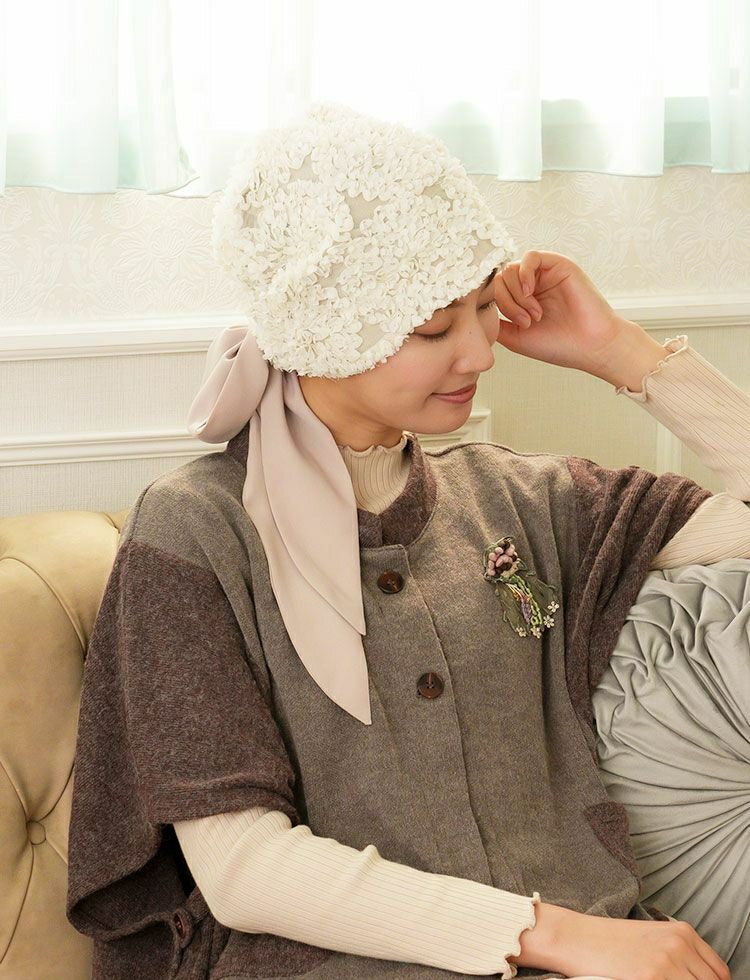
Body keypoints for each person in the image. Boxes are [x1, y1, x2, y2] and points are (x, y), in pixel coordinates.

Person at [65, 101, 744, 980]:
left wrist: (621, 351)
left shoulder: (525, 502)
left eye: (483, 309)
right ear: (323, 330)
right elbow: (242, 870)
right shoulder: (196, 530)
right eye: (433, 329)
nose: (481, 354)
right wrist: (559, 935)